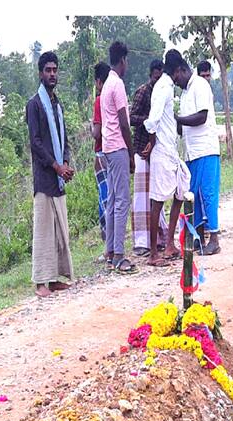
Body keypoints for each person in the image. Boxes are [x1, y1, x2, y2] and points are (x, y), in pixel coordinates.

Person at [25, 51, 75, 298]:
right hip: (45, 178)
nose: (52, 74)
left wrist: (65, 162)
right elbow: (35, 143)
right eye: (48, 70)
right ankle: (41, 283)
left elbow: (64, 139)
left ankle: (54, 279)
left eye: (55, 70)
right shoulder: (34, 104)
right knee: (43, 231)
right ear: (40, 73)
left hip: (58, 177)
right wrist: (56, 166)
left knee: (58, 230)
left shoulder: (58, 104)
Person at [141, 50, 191, 267]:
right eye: (182, 72)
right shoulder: (163, 88)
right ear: (177, 69)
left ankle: (169, 243)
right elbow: (152, 121)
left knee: (182, 187)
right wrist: (152, 143)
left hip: (170, 150)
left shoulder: (167, 87)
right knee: (158, 201)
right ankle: (154, 253)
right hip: (162, 150)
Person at [172, 50, 221, 255]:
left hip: (206, 149)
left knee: (207, 194)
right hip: (191, 152)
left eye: (176, 77)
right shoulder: (184, 93)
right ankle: (198, 238)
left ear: (183, 70)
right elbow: (183, 127)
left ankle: (215, 239)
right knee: (192, 196)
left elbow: (201, 117)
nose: (176, 81)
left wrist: (177, 118)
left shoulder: (200, 85)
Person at [100, 41, 136, 273]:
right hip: (118, 147)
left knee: (113, 200)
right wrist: (132, 153)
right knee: (122, 201)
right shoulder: (118, 84)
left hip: (107, 148)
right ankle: (119, 256)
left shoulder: (105, 85)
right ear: (122, 60)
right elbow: (124, 122)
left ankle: (110, 250)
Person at [129, 59, 168, 257]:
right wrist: (148, 121)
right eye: (155, 77)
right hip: (141, 151)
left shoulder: (164, 92)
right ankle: (141, 242)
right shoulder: (144, 92)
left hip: (156, 150)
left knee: (157, 196)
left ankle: (159, 237)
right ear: (152, 74)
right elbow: (131, 117)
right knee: (141, 199)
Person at [91, 62, 110, 243]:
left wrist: (91, 127)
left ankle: (106, 239)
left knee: (104, 198)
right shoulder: (114, 96)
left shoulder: (99, 100)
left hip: (101, 153)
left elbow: (96, 133)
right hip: (115, 153)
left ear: (98, 82)